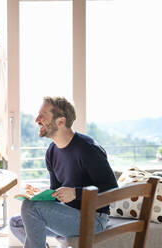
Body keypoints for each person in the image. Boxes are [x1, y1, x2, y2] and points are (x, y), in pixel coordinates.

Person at [9, 96, 118, 248]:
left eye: (43, 115)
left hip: (93, 219)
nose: (36, 120)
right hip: (67, 214)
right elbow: (56, 191)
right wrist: (40, 196)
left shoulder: (88, 149)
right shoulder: (52, 152)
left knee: (30, 208)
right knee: (16, 223)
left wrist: (75, 193)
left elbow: (113, 189)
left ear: (61, 121)